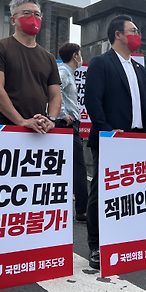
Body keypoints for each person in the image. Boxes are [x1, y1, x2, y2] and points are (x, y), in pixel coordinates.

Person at [84, 14, 146, 269]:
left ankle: (126, 239)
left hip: (138, 139)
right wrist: (107, 131)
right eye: (133, 30)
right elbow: (92, 100)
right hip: (111, 138)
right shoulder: (101, 63)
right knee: (102, 192)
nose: (137, 35)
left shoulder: (139, 68)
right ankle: (95, 245)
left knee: (133, 192)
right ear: (118, 34)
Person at [0, 0, 61, 133]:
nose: (33, 17)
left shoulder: (48, 58)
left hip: (39, 130)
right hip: (5, 128)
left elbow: (55, 95)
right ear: (13, 20)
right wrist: (21, 121)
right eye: (27, 13)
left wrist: (52, 119)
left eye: (37, 14)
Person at [56, 43, 88, 223]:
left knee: (70, 167)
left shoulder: (69, 73)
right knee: (78, 167)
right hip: (66, 124)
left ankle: (79, 208)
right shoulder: (64, 71)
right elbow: (54, 89)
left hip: (69, 124)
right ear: (75, 55)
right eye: (80, 54)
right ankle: (82, 210)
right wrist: (62, 114)